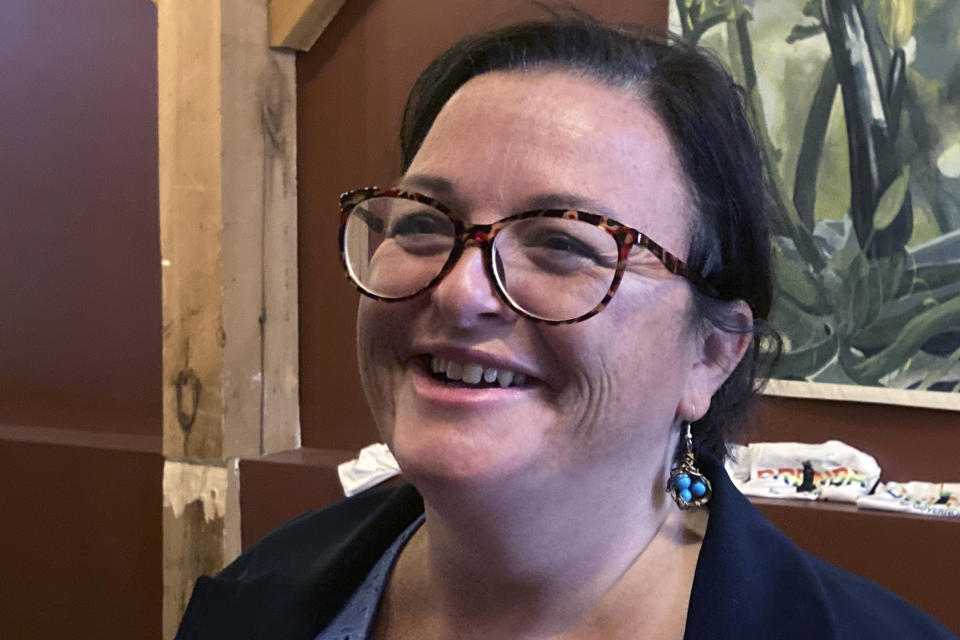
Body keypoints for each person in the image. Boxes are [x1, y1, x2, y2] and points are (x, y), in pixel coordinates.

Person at [176, 17, 958, 640]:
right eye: (421, 224)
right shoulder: (254, 602)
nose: (460, 291)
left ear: (712, 356)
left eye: (562, 243)